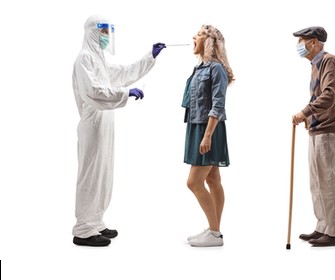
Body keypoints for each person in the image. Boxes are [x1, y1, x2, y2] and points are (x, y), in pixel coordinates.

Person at [71, 15, 165, 247]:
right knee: (91, 174)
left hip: (105, 121)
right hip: (92, 123)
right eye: (102, 32)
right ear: (92, 31)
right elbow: (92, 91)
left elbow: (123, 73)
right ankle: (83, 229)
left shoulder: (98, 59)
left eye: (107, 32)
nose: (106, 37)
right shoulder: (84, 59)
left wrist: (149, 57)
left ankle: (95, 221)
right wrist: (124, 94)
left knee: (103, 173)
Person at [292, 26, 335, 247]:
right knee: (316, 182)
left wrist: (305, 112)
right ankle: (323, 226)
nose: (298, 46)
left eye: (302, 41)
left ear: (314, 42)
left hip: (328, 130)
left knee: (328, 182)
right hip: (317, 129)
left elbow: (329, 95)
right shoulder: (316, 65)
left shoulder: (329, 61)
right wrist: (309, 119)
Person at [183, 25, 234, 247]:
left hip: (209, 129)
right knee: (213, 180)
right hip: (198, 127)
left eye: (199, 34)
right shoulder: (199, 68)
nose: (194, 37)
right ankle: (215, 230)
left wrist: (207, 136)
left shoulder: (216, 69)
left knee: (193, 182)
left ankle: (214, 234)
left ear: (210, 41)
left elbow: (218, 104)